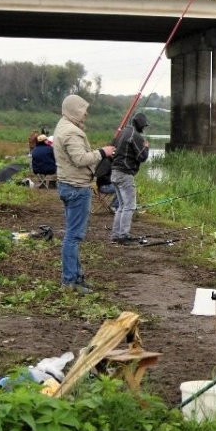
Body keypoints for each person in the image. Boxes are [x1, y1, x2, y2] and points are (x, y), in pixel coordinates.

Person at [53, 94, 115, 294]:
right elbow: (80, 159)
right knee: (73, 236)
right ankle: (70, 281)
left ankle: (77, 277)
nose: (86, 113)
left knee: (73, 234)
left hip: (68, 185)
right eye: (82, 110)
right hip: (76, 188)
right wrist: (103, 152)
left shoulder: (63, 125)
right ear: (74, 110)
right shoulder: (71, 132)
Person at [110, 112, 150, 244]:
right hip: (125, 174)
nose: (143, 128)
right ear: (140, 124)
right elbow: (142, 157)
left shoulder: (123, 132)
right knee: (129, 206)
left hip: (114, 172)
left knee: (121, 205)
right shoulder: (136, 136)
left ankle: (116, 235)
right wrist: (146, 148)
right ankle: (123, 236)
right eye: (143, 126)